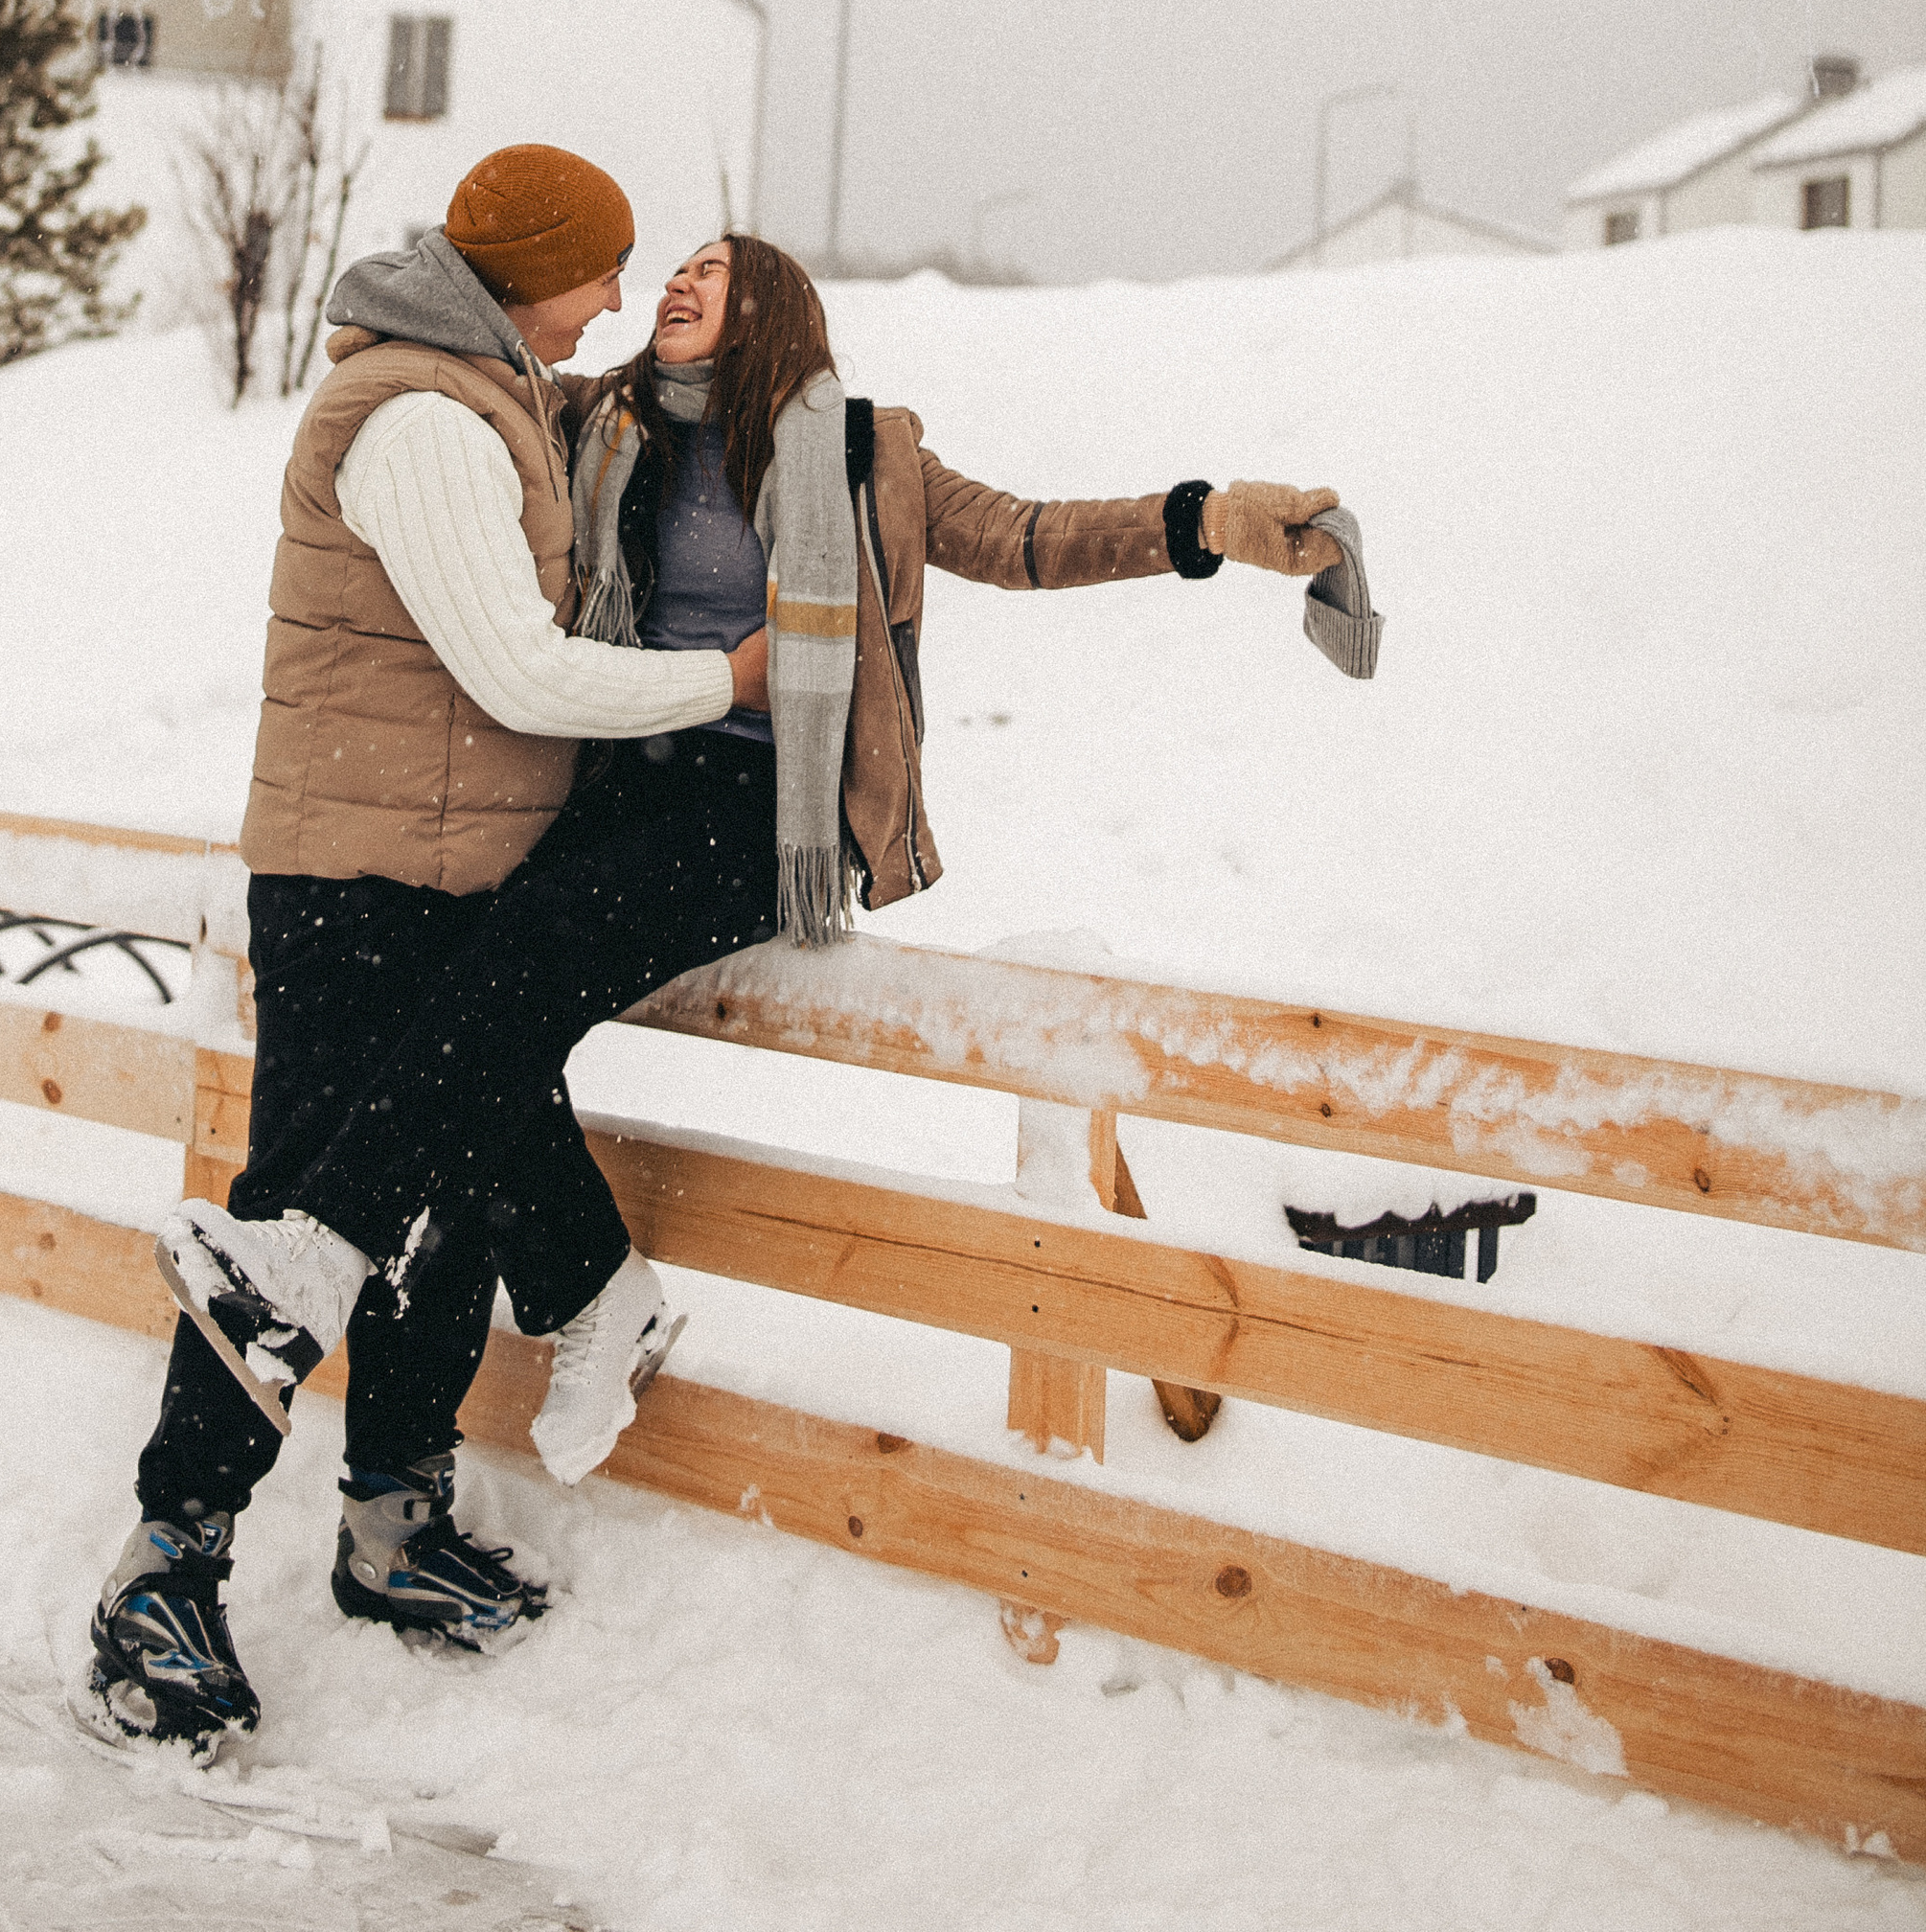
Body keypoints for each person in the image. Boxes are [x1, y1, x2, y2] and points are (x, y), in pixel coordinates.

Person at [150, 230, 1344, 1663]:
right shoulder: (596, 422)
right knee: (485, 1006)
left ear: (769, 309)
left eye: (707, 272)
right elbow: (485, 373)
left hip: (771, 805)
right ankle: (587, 1301)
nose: (671, 285)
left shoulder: (866, 452)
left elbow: (1026, 538)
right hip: (628, 767)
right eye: (668, 272)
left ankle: (330, 1260)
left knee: (513, 968)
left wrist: (1207, 520)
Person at [89, 144, 766, 1752]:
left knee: (438, 1207)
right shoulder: (420, 424)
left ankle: (393, 1520)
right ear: (534, 269)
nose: (614, 298)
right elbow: (521, 677)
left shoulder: (496, 392)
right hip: (357, 876)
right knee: (305, 1211)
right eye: (601, 268)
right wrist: (724, 687)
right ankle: (159, 1574)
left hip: (450, 873)